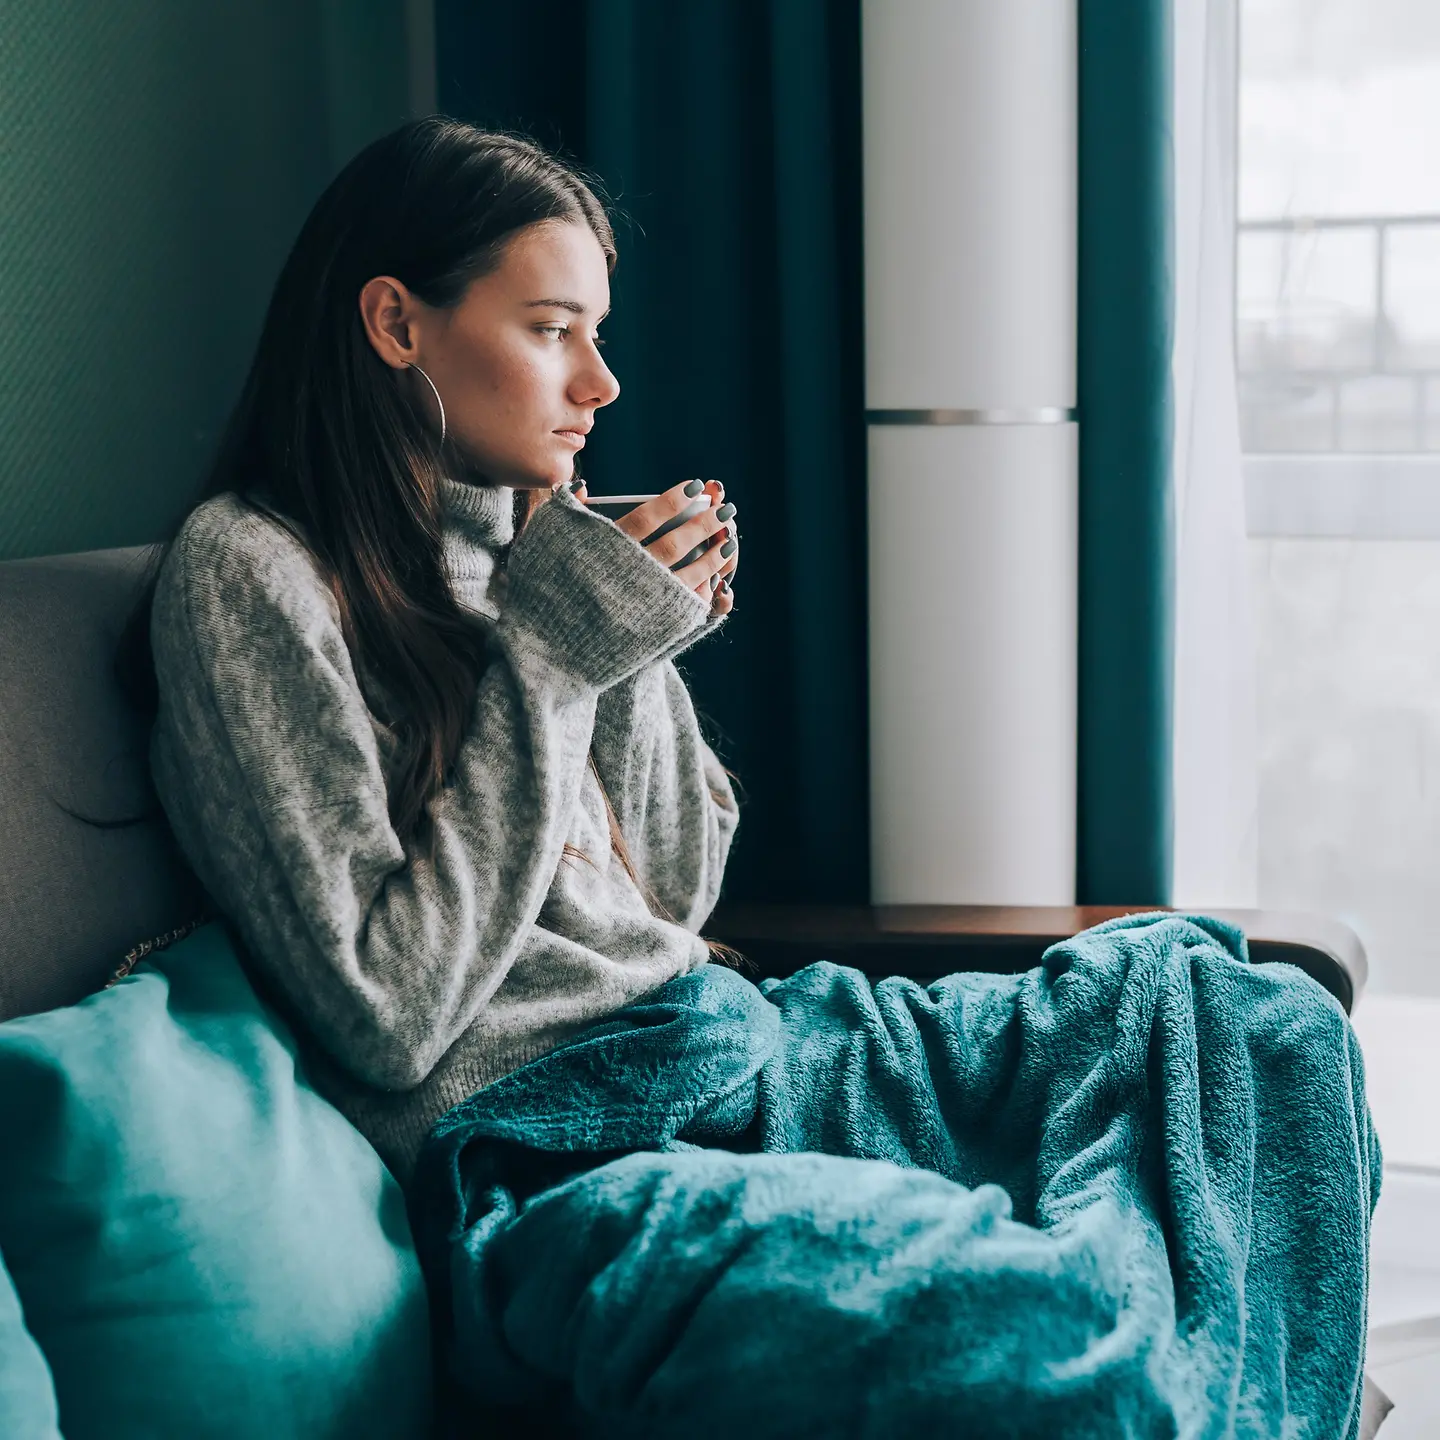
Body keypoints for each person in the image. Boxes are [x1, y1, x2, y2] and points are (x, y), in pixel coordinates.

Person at [116, 116, 743, 1185]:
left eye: (597, 334)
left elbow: (673, 902)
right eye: (552, 329)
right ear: (397, 323)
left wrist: (629, 648)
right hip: (567, 1128)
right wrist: (559, 656)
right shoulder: (251, 571)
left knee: (1082, 1010)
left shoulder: (524, 552)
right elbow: (386, 1017)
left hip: (714, 1044)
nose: (601, 383)